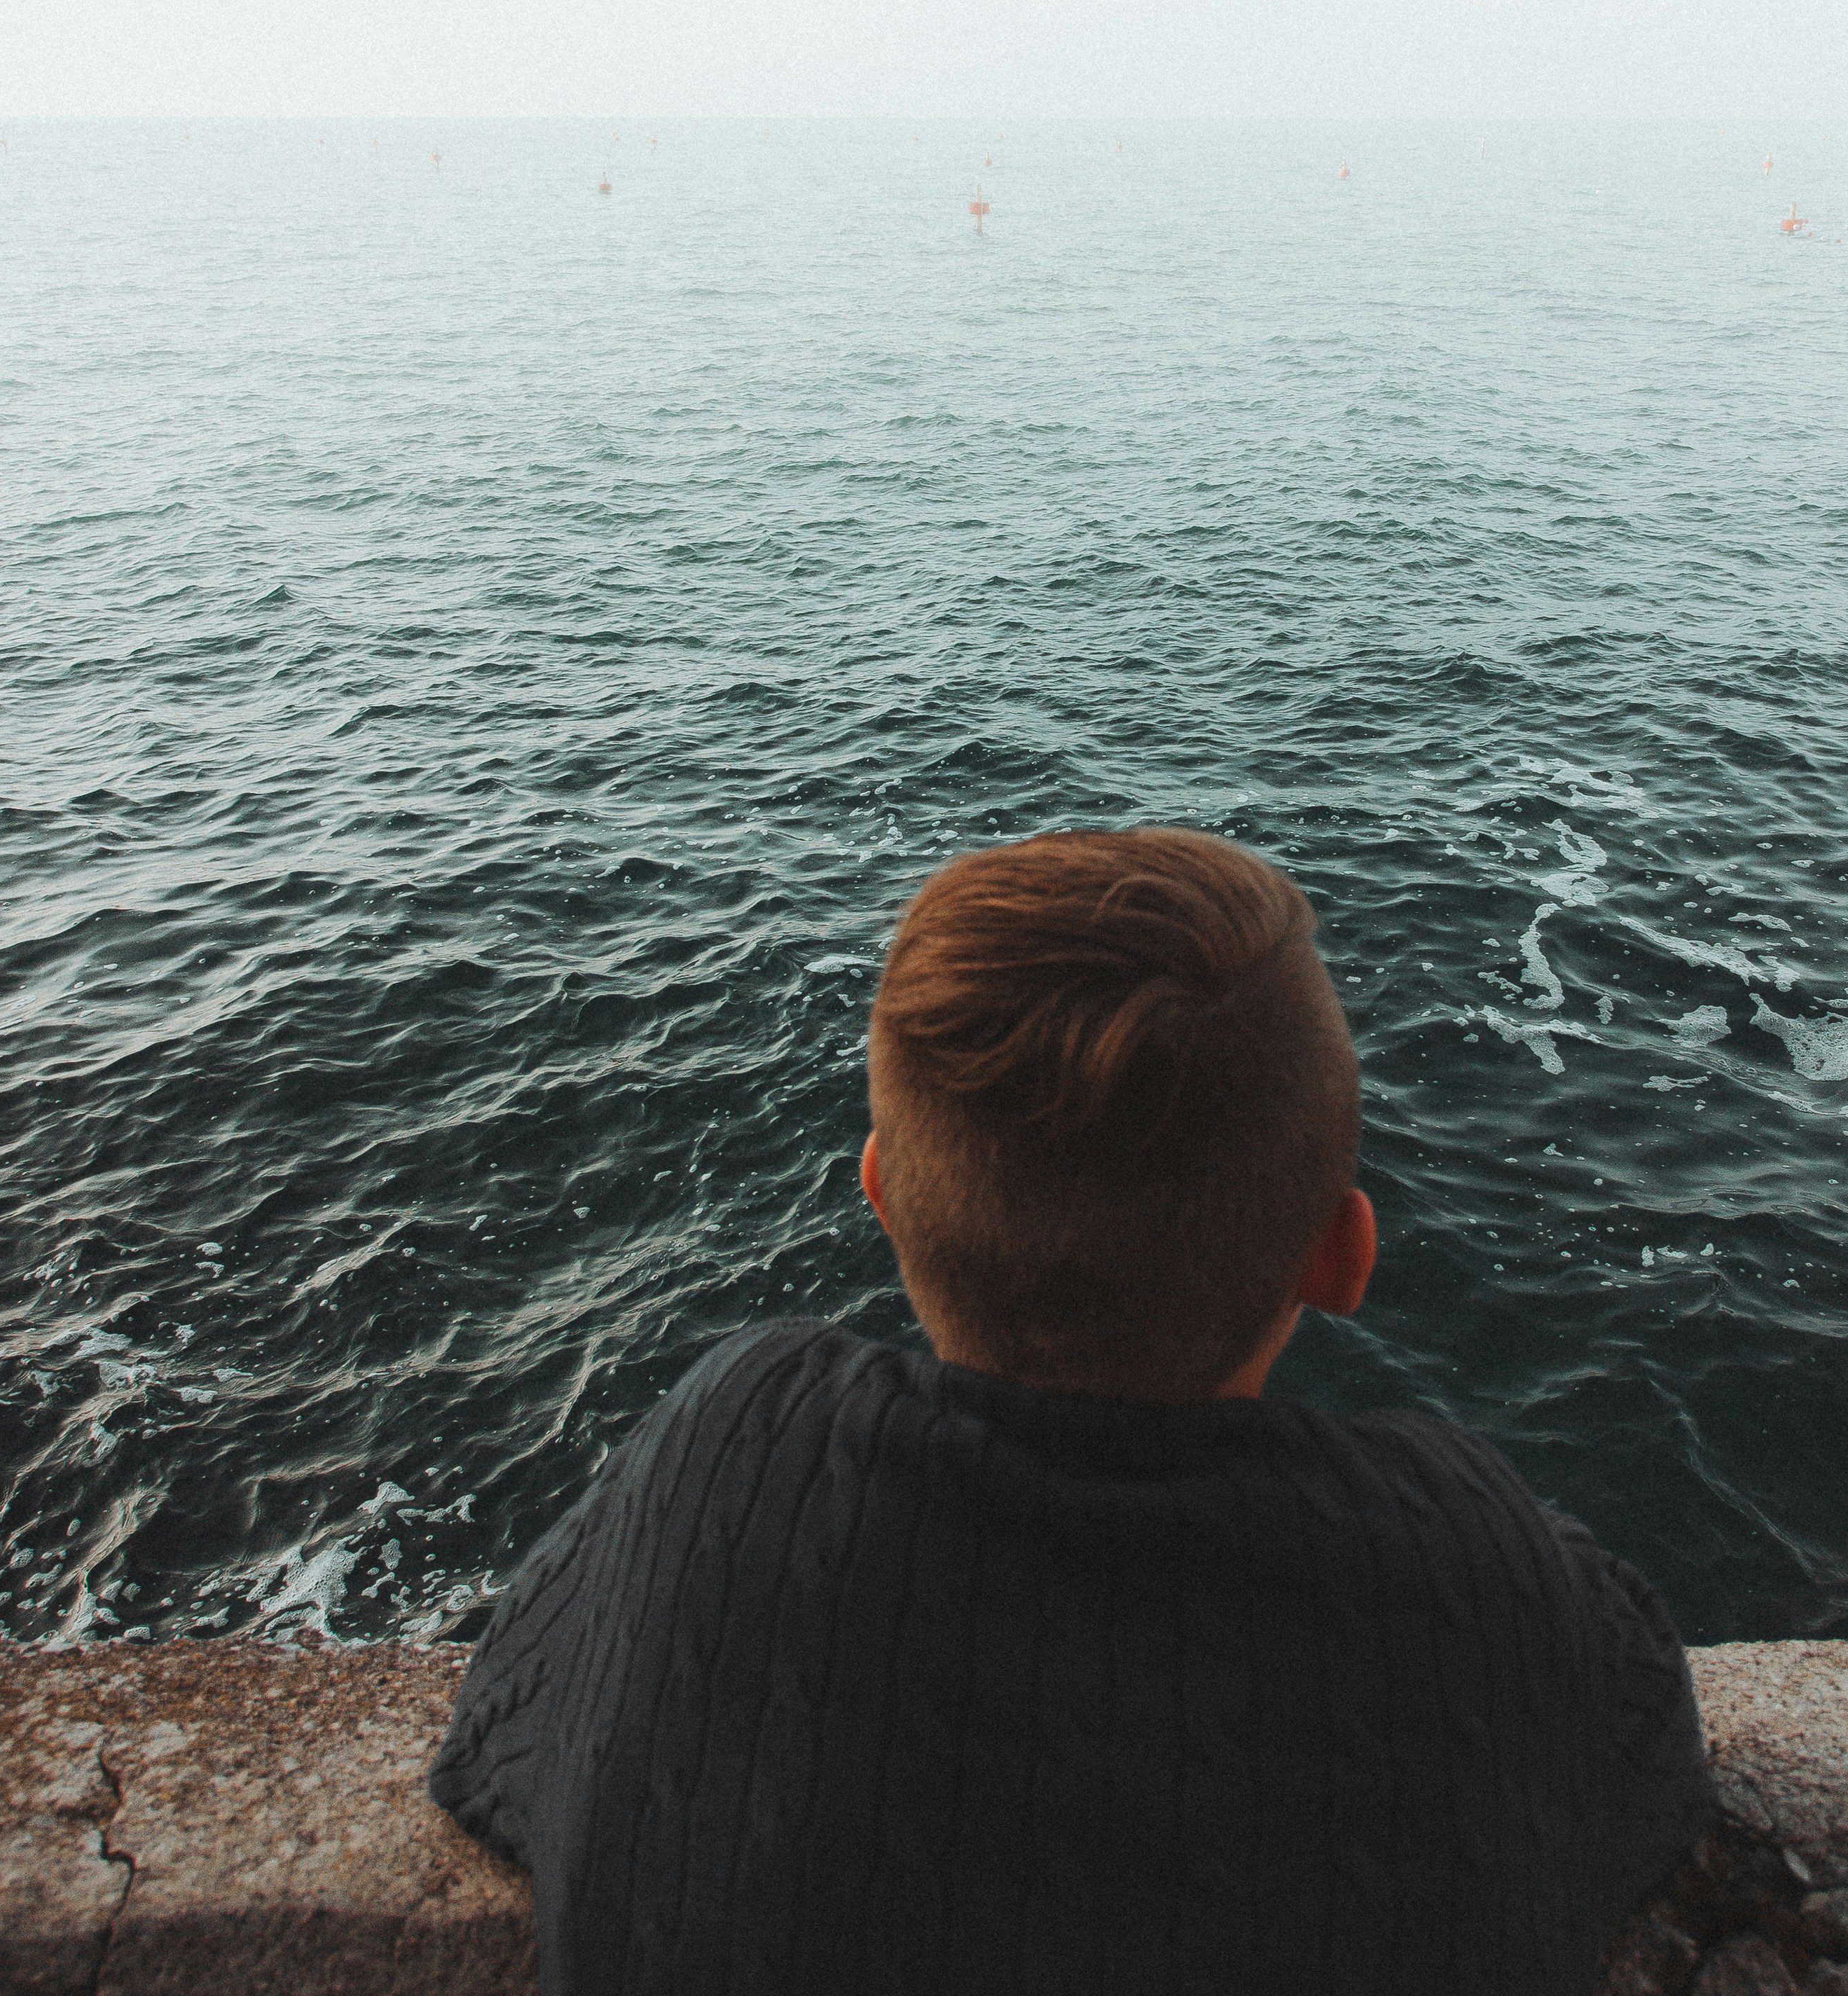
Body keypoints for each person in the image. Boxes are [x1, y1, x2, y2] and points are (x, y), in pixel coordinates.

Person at [429, 828, 1710, 1995]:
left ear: (882, 1198)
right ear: (1345, 1255)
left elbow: (507, 1724)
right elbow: (1642, 1751)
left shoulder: (740, 1444)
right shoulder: (1463, 1564)